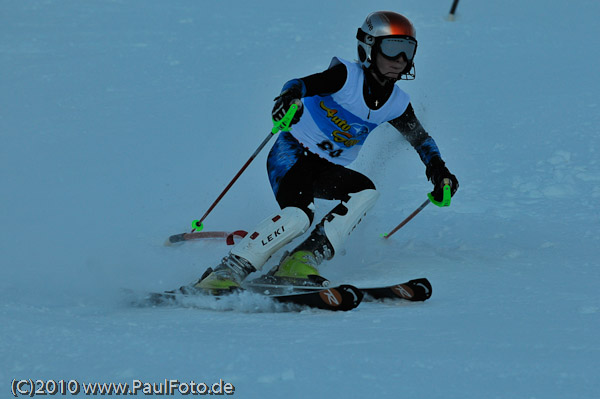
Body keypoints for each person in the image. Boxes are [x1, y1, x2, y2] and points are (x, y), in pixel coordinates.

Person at [195, 11, 459, 292]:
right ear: (369, 47)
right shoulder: (346, 77)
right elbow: (300, 84)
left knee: (366, 193)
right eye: (393, 49)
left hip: (325, 168)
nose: (401, 61)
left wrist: (439, 170)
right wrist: (289, 99)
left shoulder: (395, 103)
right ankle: (229, 269)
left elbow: (420, 139)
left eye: (408, 51)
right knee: (298, 216)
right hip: (291, 154)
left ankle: (299, 261)